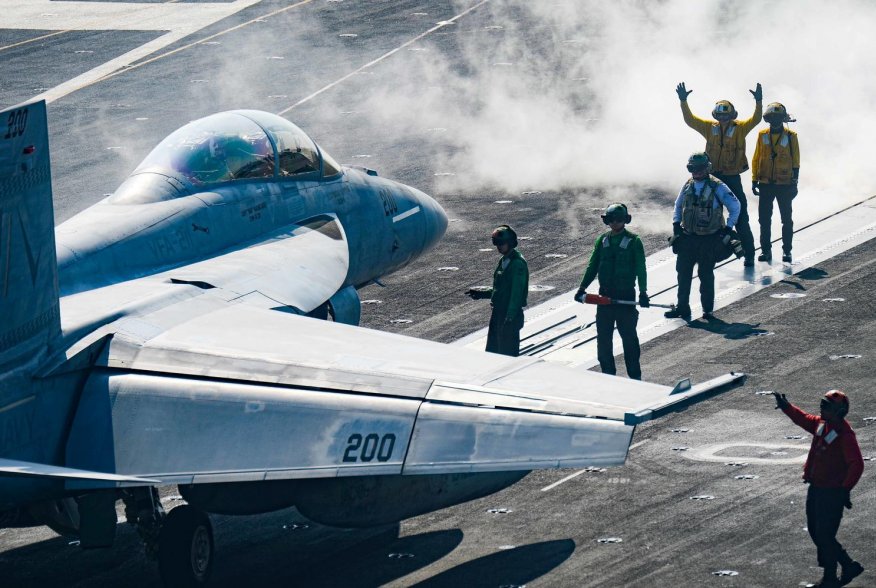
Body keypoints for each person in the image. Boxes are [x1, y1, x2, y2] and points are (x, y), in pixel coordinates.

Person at [772, 390, 865, 587]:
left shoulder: (845, 435)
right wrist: (787, 407)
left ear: (839, 412)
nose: (822, 408)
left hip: (831, 492)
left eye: (827, 406)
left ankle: (831, 577)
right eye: (822, 403)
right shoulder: (824, 424)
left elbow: (857, 464)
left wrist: (844, 490)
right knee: (816, 531)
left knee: (824, 534)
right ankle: (847, 564)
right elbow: (804, 419)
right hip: (816, 489)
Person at [676, 81, 762, 266]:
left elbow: (756, 120)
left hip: (732, 177)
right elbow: (690, 120)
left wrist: (759, 102)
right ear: (716, 116)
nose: (723, 119)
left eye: (726, 115)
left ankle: (749, 254)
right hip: (712, 178)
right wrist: (683, 102)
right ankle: (709, 254)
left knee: (741, 217)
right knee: (705, 215)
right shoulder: (709, 127)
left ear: (732, 115)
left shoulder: (741, 128)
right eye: (720, 115)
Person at [573, 203, 647, 380]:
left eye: (618, 220)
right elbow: (593, 265)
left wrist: (643, 292)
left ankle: (635, 378)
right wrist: (582, 287)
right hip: (604, 298)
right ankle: (608, 378)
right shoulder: (602, 240)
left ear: (625, 221)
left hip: (625, 297)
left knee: (629, 340)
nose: (614, 223)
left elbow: (641, 269)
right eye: (611, 220)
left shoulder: (634, 241)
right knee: (603, 341)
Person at [664, 152, 740, 322]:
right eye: (692, 168)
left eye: (699, 168)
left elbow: (735, 207)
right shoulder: (688, 185)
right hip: (688, 238)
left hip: (708, 239)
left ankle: (707, 311)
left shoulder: (718, 187)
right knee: (682, 274)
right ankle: (682, 307)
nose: (696, 172)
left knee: (705, 274)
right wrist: (676, 225)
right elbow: (678, 206)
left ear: (707, 168)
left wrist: (728, 229)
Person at [465, 225, 529, 356]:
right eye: (497, 244)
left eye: (501, 243)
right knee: (493, 353)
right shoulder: (504, 260)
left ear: (510, 243)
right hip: (498, 314)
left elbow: (516, 294)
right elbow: (501, 290)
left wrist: (510, 317)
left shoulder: (517, 264)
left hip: (508, 315)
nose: (499, 247)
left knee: (506, 355)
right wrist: (481, 293)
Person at [752, 102, 800, 263]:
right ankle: (766, 251)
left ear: (782, 118)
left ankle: (787, 251)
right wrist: (754, 179)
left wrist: (794, 182)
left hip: (784, 184)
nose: (775, 120)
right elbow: (756, 157)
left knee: (786, 219)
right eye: (772, 117)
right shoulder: (762, 135)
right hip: (765, 184)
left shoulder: (791, 136)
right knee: (764, 220)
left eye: (778, 117)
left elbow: (796, 161)